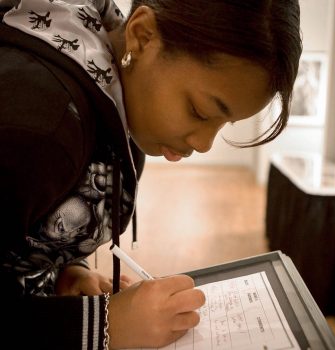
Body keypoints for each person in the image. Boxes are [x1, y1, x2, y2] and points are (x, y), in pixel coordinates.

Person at [0, 0, 302, 349]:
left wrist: (63, 269)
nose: (204, 144)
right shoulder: (40, 127)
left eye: (225, 123)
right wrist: (101, 325)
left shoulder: (107, 85)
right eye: (200, 111)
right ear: (142, 36)